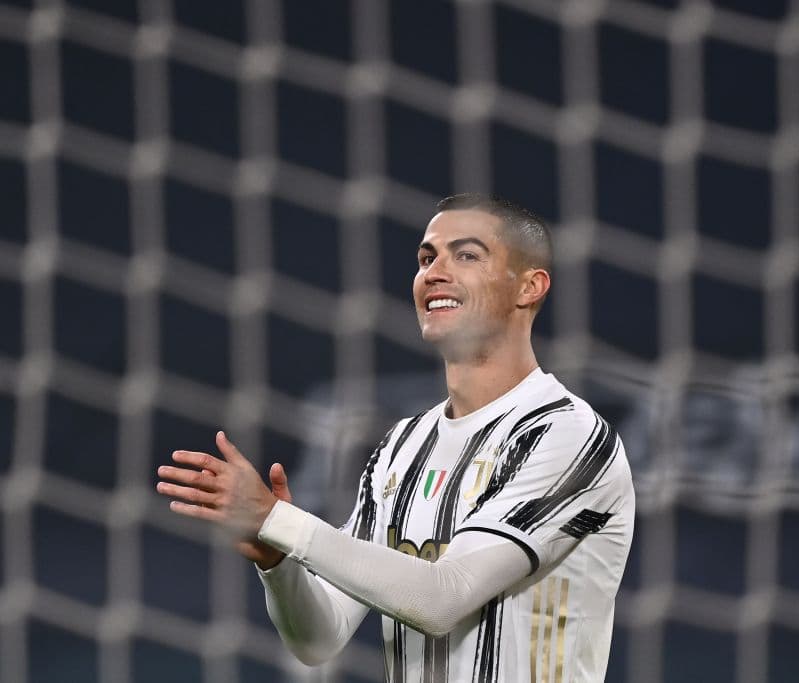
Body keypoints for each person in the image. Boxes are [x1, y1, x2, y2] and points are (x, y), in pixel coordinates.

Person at [156, 194, 635, 681]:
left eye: (466, 255)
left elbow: (443, 598)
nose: (435, 272)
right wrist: (279, 562)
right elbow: (319, 640)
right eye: (427, 258)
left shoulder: (568, 435)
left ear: (529, 287)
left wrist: (279, 519)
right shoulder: (401, 447)